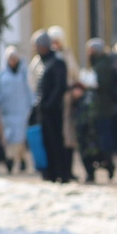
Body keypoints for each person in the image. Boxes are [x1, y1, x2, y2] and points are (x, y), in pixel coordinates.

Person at [77, 37, 117, 181]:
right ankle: (100, 167)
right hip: (97, 110)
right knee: (96, 141)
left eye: (90, 51)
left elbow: (103, 85)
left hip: (102, 110)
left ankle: (107, 165)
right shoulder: (100, 64)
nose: (88, 54)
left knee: (102, 141)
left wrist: (89, 84)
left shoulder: (103, 66)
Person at [32, 29, 72, 182]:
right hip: (45, 111)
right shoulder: (44, 63)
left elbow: (59, 87)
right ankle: (51, 172)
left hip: (53, 111)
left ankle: (61, 173)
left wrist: (48, 105)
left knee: (56, 142)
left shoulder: (57, 62)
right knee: (47, 142)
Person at [0, 46, 30, 172]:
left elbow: (29, 90)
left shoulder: (24, 73)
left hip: (21, 109)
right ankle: (11, 159)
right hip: (7, 111)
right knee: (9, 136)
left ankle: (17, 159)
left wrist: (30, 105)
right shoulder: (1, 74)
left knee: (20, 136)